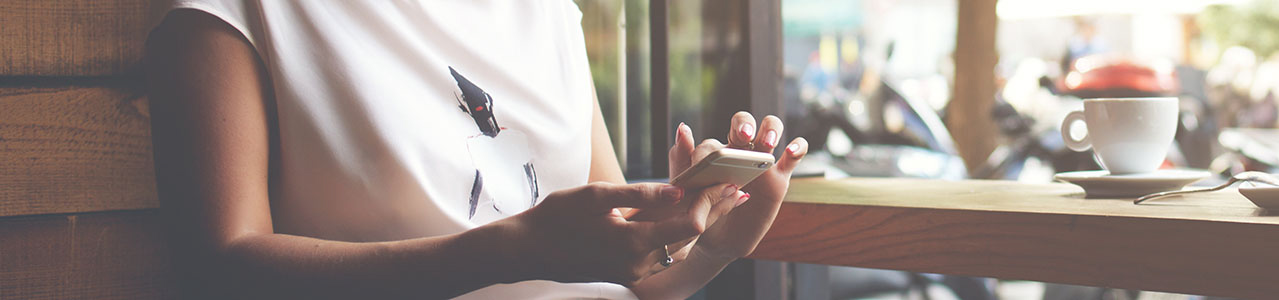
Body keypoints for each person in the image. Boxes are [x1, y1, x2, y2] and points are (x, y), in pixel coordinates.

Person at [145, 1, 807, 299]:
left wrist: (714, 243)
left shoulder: (547, 10)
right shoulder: (233, 10)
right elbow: (218, 269)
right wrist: (506, 250)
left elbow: (623, 274)